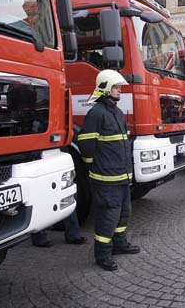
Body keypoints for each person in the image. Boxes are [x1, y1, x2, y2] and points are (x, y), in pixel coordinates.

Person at [77, 69, 140, 272]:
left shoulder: (117, 112)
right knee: (107, 217)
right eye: (116, 87)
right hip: (106, 179)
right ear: (104, 88)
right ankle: (102, 254)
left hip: (121, 178)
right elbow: (86, 146)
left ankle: (119, 244)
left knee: (123, 213)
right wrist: (94, 167)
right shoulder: (96, 113)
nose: (119, 90)